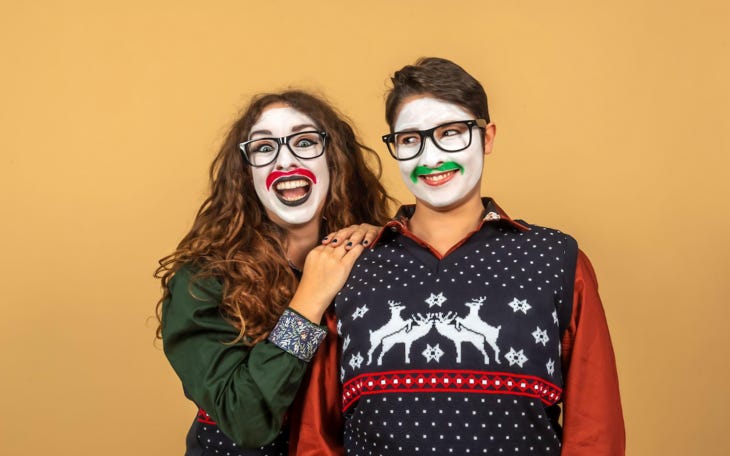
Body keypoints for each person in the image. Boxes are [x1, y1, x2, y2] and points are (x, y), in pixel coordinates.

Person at [297, 57, 625, 455]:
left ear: (487, 138)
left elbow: (595, 427)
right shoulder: (351, 265)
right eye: (410, 139)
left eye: (450, 133)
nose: (431, 157)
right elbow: (317, 435)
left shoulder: (556, 259)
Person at [155, 90, 392, 456]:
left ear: (335, 161)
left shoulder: (366, 260)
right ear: (247, 173)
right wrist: (308, 301)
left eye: (305, 141)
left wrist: (389, 245)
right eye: (265, 148)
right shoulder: (202, 283)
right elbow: (246, 417)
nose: (285, 160)